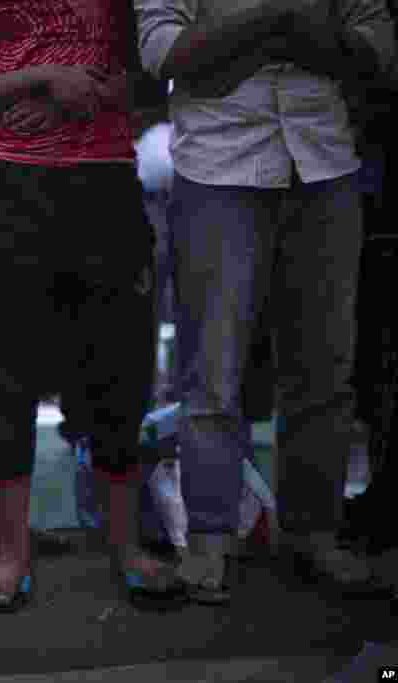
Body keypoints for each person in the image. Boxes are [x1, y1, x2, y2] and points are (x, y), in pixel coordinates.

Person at [135, 0, 394, 602]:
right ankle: (208, 538)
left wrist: (233, 37)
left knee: (325, 367)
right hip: (217, 167)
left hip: (326, 162)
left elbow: (379, 45)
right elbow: (164, 52)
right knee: (212, 371)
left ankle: (313, 532)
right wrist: (283, 18)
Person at [0, 0, 185, 612]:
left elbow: (150, 83)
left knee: (120, 367)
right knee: (4, 371)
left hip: (104, 181)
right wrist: (40, 80)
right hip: (10, 187)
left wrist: (85, 97)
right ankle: (12, 553)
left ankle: (125, 546)